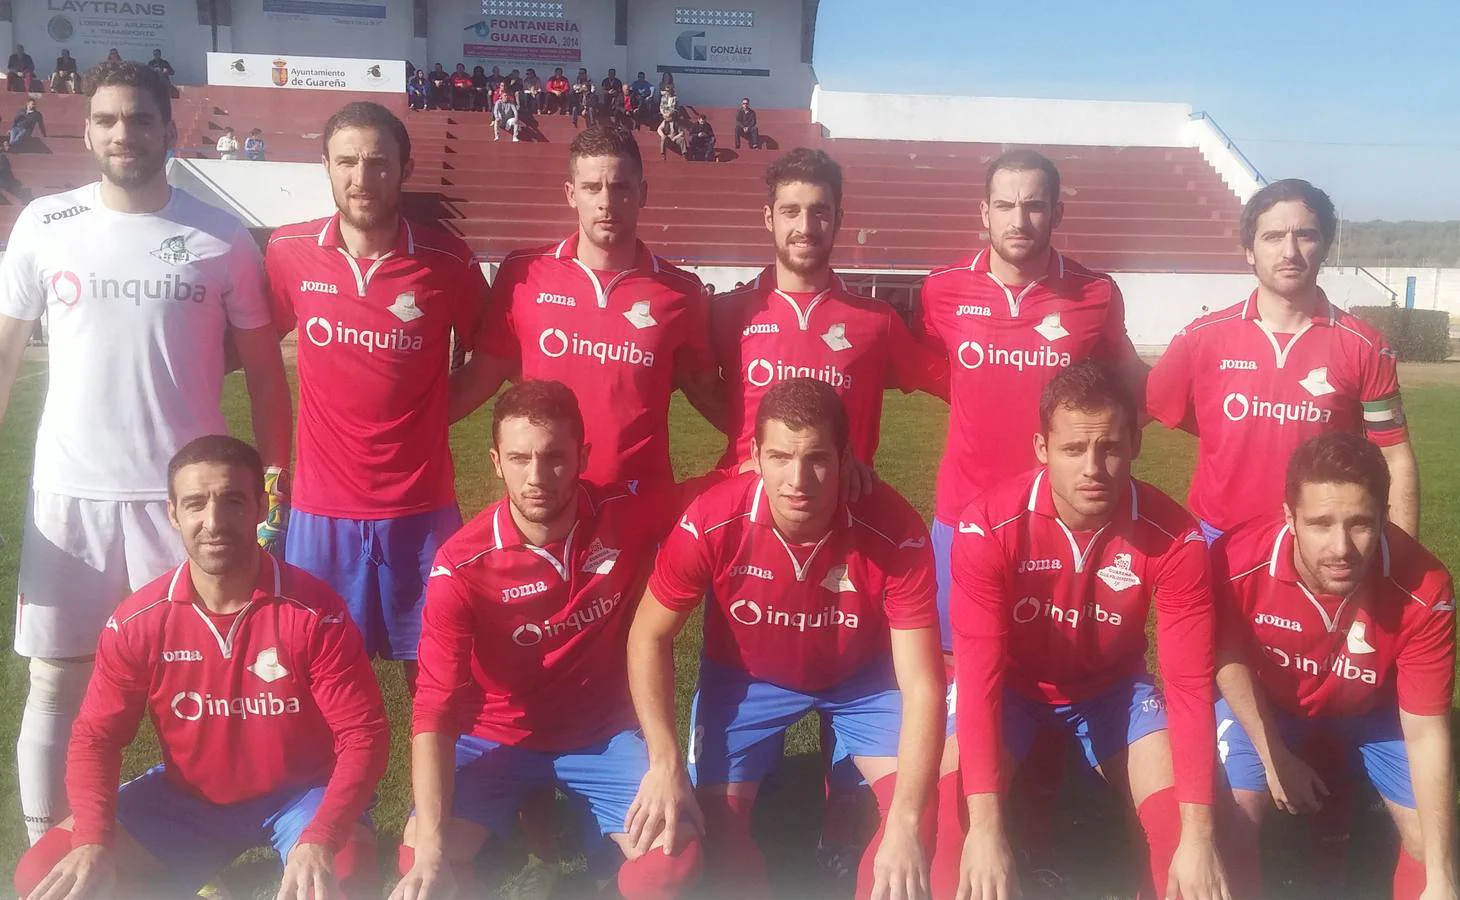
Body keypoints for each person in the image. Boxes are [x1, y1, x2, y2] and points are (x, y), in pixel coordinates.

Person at [0, 59, 292, 847]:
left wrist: (273, 480)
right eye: (107, 120)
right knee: (58, 680)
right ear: (88, 129)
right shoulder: (44, 224)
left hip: (185, 507)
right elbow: (4, 353)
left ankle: (180, 846)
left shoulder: (221, 236)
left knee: (187, 685)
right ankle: (48, 857)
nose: (123, 133)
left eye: (139, 119)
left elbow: (266, 376)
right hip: (70, 495)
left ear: (170, 128)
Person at [627, 378, 963, 899]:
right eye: (780, 457)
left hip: (863, 683)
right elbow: (647, 635)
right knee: (722, 850)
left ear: (846, 457)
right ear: (756, 455)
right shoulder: (712, 521)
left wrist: (905, 818)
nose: (798, 480)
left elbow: (922, 682)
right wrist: (664, 759)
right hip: (746, 682)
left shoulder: (893, 528)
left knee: (922, 827)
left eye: (817, 459)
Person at [11, 436, 388, 900]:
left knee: (344, 880)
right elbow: (96, 737)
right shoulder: (137, 621)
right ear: (173, 514)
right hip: (187, 799)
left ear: (259, 508)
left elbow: (363, 734)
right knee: (44, 875)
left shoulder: (314, 611)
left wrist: (322, 835)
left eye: (231, 500)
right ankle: (187, 872)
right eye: (195, 504)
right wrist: (91, 840)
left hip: (301, 796)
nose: (213, 522)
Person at [391, 381, 704, 900]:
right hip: (495, 735)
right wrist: (429, 846)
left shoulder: (622, 515)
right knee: (423, 865)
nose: (536, 477)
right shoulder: (461, 565)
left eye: (555, 458)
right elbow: (434, 708)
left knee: (674, 861)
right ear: (495, 461)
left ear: (582, 455)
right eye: (519, 458)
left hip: (602, 734)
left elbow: (722, 487)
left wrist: (784, 464)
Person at [951, 361, 1229, 900]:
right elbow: (978, 677)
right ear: (1041, 448)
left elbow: (1191, 688)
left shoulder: (1175, 536)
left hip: (1114, 694)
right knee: (949, 821)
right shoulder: (988, 524)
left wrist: (1199, 837)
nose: (1093, 468)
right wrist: (985, 829)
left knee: (1187, 844)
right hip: (1011, 690)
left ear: (1135, 447)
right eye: (1073, 449)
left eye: (1110, 448)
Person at [265, 101, 487, 686]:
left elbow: (494, 356)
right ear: (326, 167)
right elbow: (254, 349)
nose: (361, 178)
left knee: (438, 677)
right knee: (323, 680)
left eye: (377, 163)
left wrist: (435, 415)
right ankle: (336, 783)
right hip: (320, 511)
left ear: (404, 169)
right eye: (347, 162)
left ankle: (437, 783)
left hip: (421, 507)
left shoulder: (448, 261)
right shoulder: (289, 252)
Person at [1211, 432, 1455, 900]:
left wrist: (1444, 878)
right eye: (1320, 523)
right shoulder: (1236, 561)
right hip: (1271, 704)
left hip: (1370, 711)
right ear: (1290, 517)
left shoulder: (1425, 588)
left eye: (1361, 523)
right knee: (1230, 824)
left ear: (1385, 518)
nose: (1341, 547)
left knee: (1430, 841)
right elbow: (1228, 658)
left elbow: (1427, 731)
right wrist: (1274, 755)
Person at [1147, 178, 1419, 542]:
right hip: (1219, 539)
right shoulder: (1201, 338)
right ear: (1249, 250)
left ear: (1324, 247)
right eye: (1273, 237)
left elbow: (1394, 456)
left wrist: (1399, 558)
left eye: (1305, 235)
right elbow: (1145, 407)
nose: (1289, 251)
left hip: (1321, 543)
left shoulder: (1365, 346)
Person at [712, 148, 946, 470]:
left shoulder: (877, 321)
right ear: (769, 218)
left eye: (819, 211)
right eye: (790, 211)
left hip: (845, 508)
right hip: (745, 506)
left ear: (839, 219)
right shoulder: (727, 313)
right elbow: (686, 377)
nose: (805, 227)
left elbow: (953, 382)